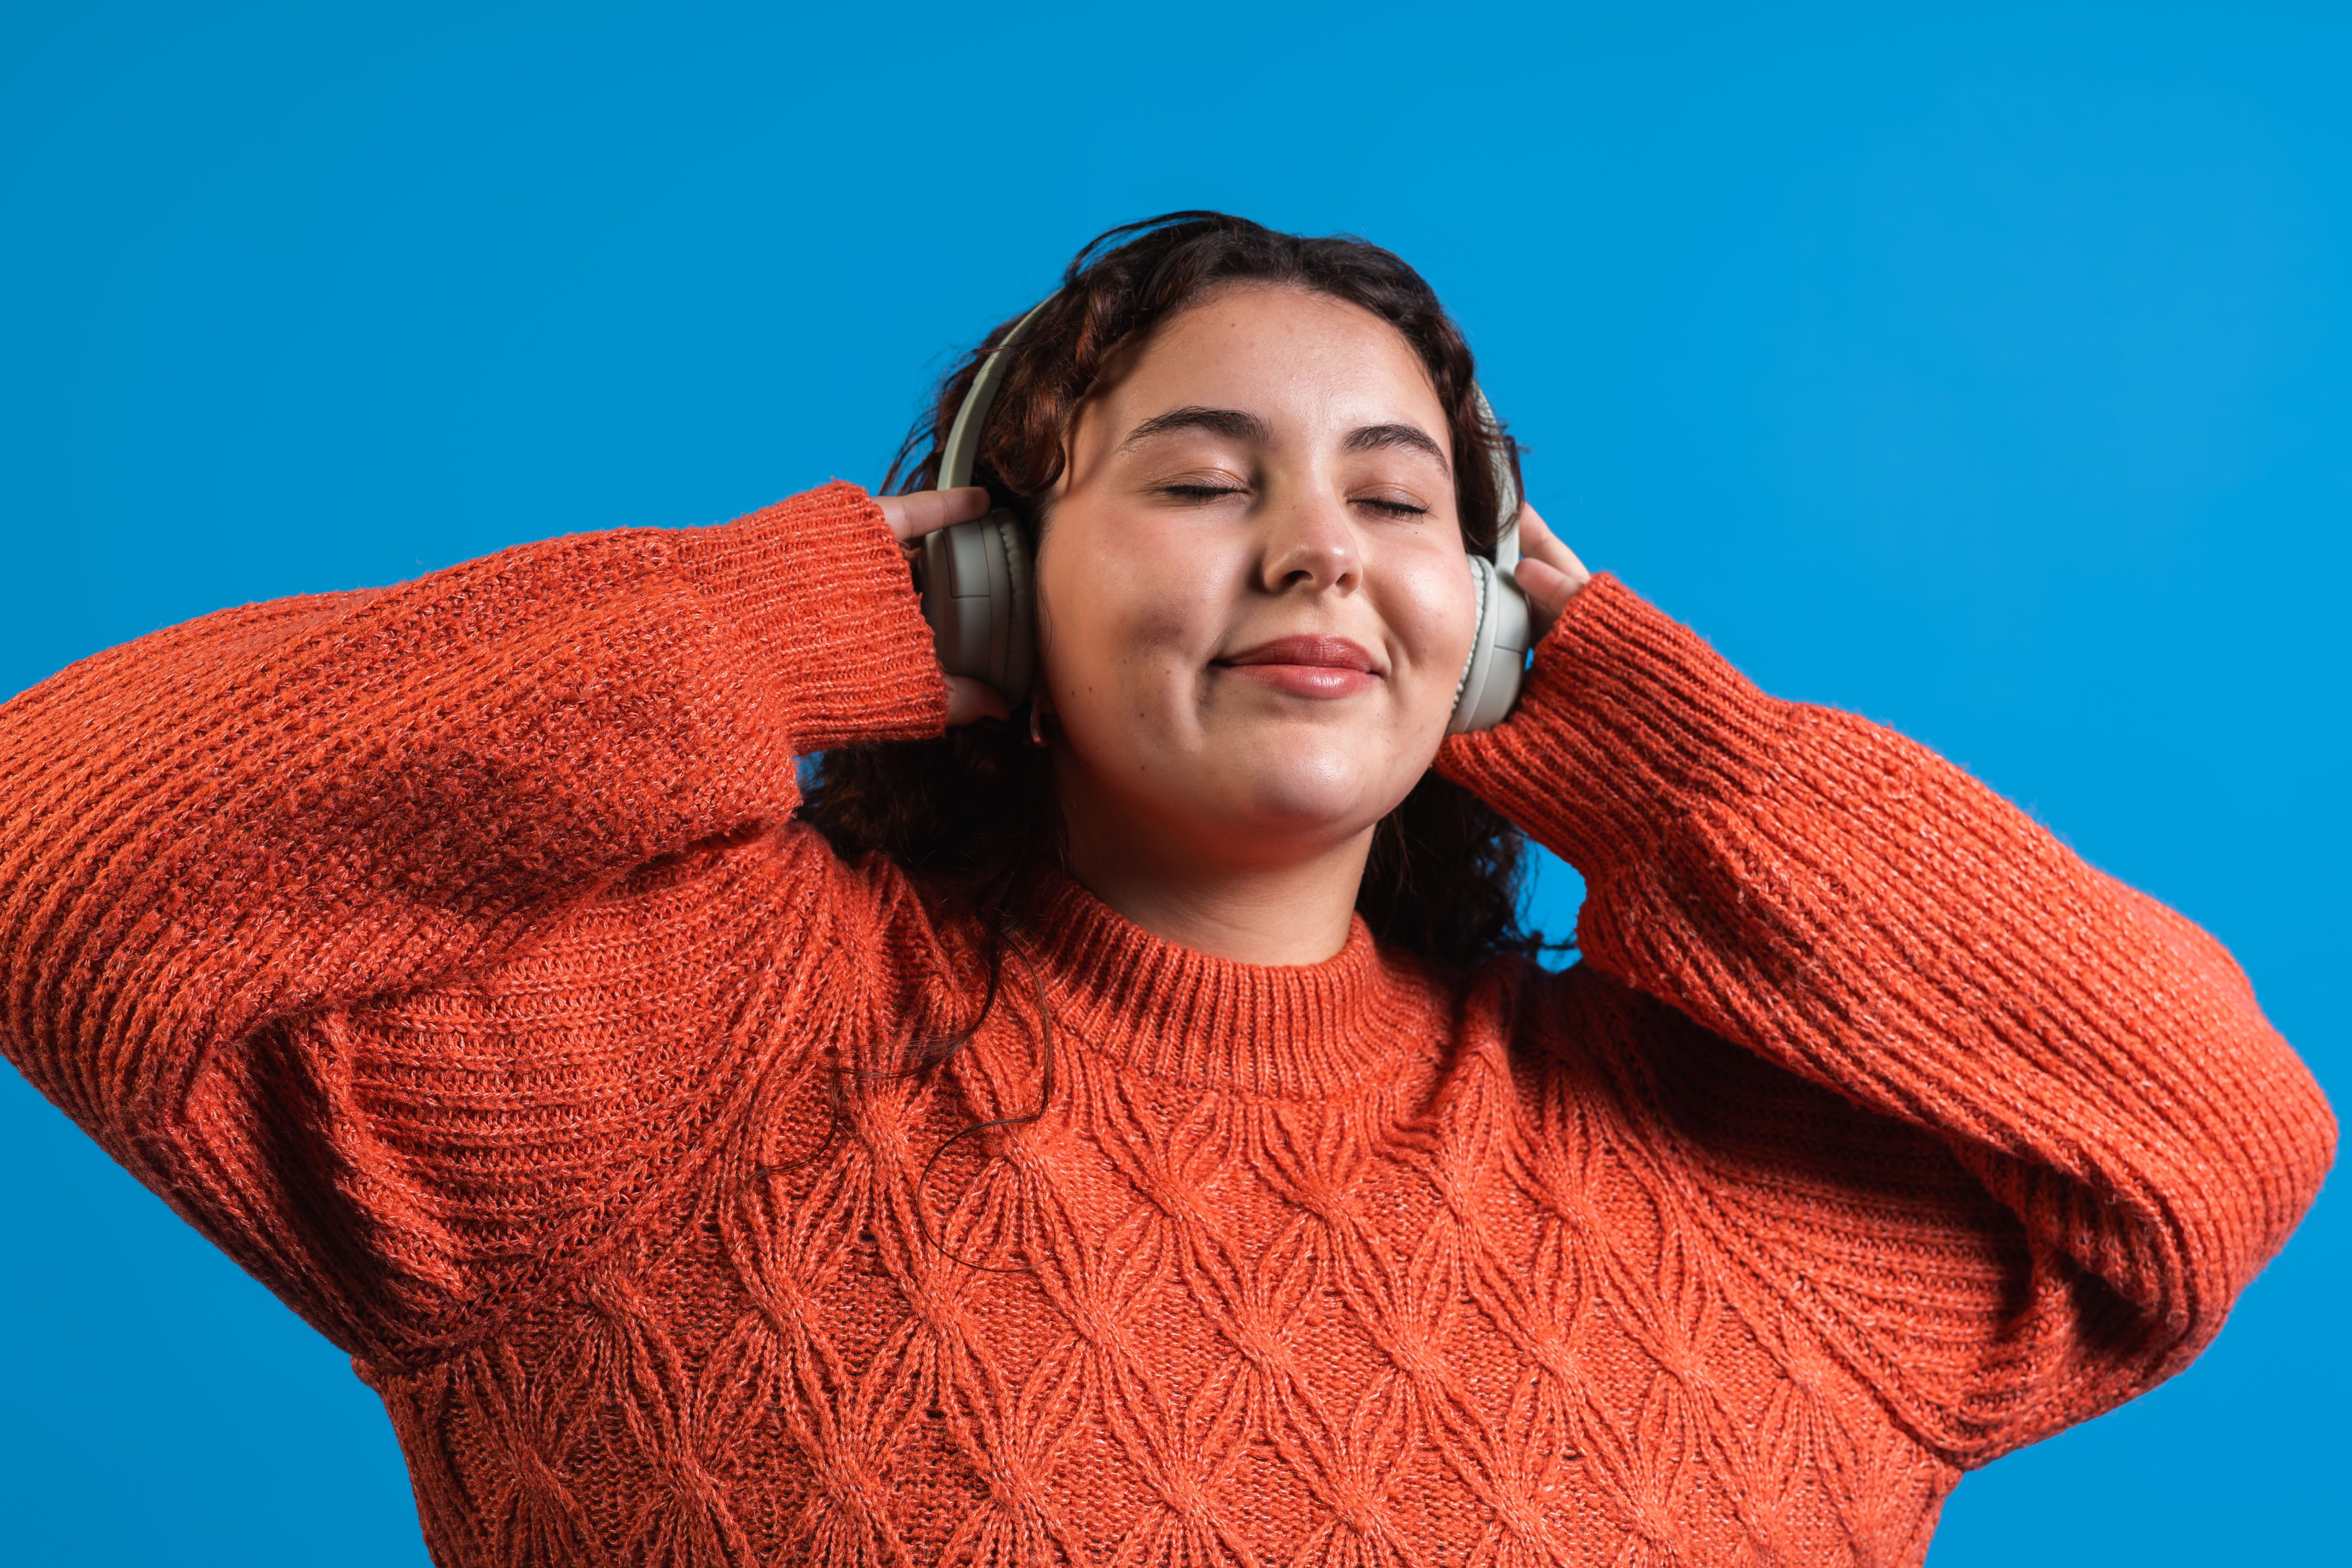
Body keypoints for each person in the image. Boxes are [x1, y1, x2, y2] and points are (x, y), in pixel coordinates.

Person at [0, 211, 2331, 1568]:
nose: (1320, 543)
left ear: (1498, 619)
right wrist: (799, 618)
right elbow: (76, 842)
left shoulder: (1726, 1194)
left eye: (1405, 501)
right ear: (1002, 587)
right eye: (1206, 480)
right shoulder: (672, 1073)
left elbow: (2218, 1133)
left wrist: (1647, 732)